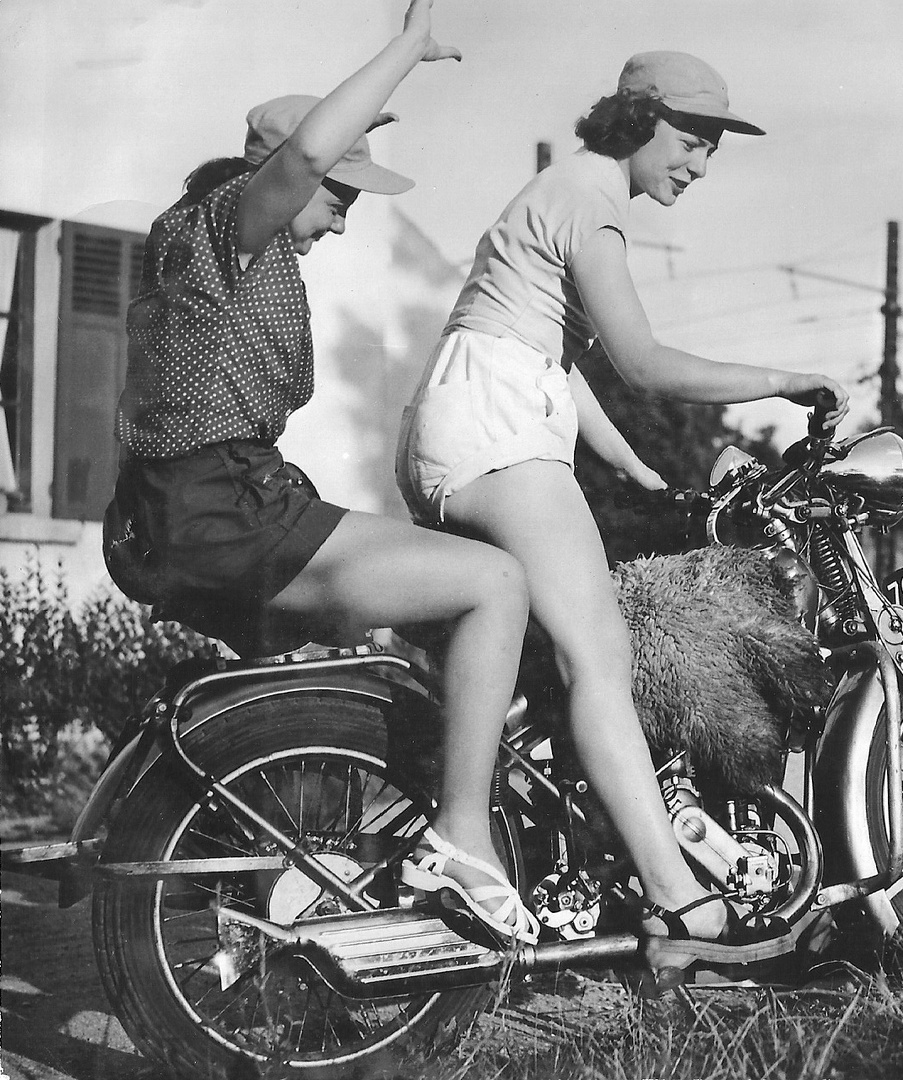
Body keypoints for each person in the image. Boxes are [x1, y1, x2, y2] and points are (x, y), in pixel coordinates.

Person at [395, 50, 848, 967]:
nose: (699, 164)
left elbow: (553, 355)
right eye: (689, 140)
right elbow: (639, 362)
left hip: (464, 420)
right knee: (601, 656)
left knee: (545, 662)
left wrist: (641, 475)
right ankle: (678, 900)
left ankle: (549, 862)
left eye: (712, 148)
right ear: (638, 121)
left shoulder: (562, 194)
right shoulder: (591, 201)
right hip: (499, 429)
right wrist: (783, 381)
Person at [102, 1, 539, 943]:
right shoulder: (227, 226)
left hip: (206, 505)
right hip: (223, 505)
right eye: (342, 197)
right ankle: (464, 838)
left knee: (429, 621)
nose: (342, 222)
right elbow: (301, 160)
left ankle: (390, 815)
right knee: (496, 585)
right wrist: (408, 50)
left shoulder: (217, 252)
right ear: (283, 174)